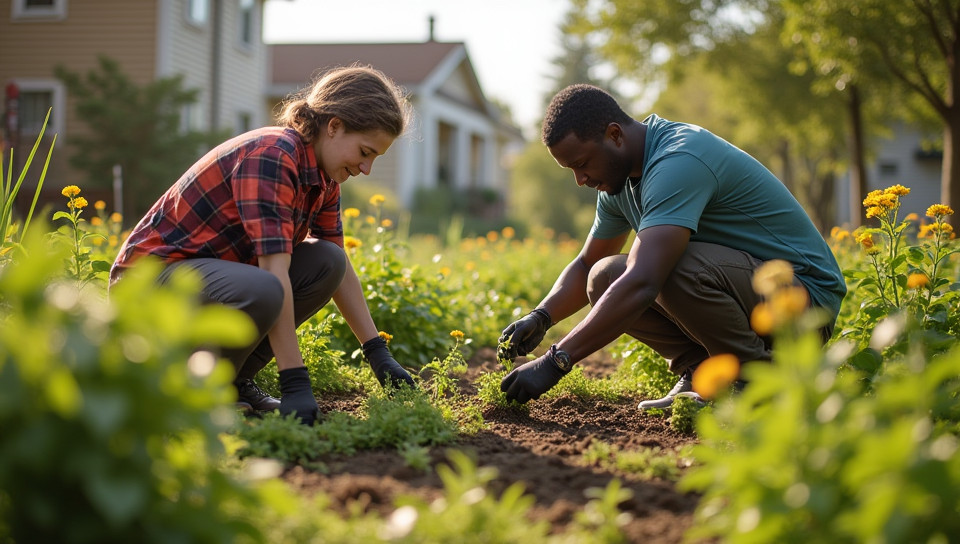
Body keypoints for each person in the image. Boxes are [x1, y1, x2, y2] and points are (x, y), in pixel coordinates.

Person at [498, 84, 846, 409]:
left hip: (804, 304)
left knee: (668, 264)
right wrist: (541, 316)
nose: (580, 180)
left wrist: (556, 361)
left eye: (582, 164)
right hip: (750, 296)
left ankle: (755, 378)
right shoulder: (618, 183)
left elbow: (644, 280)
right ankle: (701, 371)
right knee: (603, 275)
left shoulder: (678, 160)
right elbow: (589, 263)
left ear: (614, 135)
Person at [110, 65, 416, 425]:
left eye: (374, 158)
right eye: (365, 152)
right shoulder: (273, 155)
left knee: (327, 261)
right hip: (149, 285)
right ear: (334, 126)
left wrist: (377, 352)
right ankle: (194, 388)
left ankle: (230, 381)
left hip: (209, 282)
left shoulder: (324, 179)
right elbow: (274, 272)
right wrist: (295, 381)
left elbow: (339, 266)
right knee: (267, 287)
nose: (366, 168)